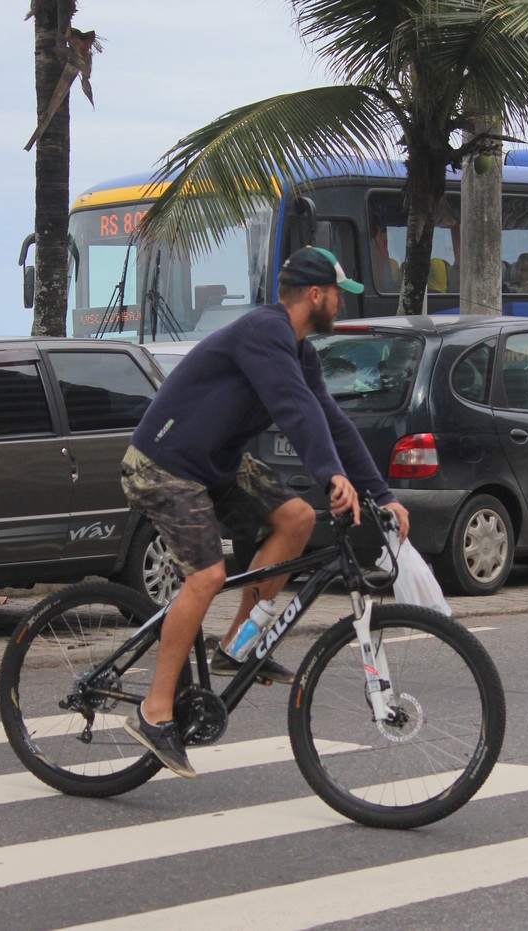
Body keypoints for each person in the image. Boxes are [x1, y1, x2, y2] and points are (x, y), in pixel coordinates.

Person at [120, 246, 410, 778]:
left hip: (215, 464)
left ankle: (238, 642)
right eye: (337, 298)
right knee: (206, 576)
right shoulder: (263, 331)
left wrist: (381, 493)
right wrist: (329, 475)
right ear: (315, 295)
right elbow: (291, 408)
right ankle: (153, 710)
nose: (341, 308)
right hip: (162, 463)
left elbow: (332, 422)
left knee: (296, 518)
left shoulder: (301, 353)